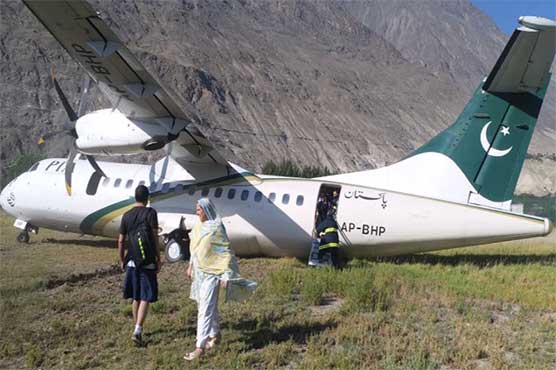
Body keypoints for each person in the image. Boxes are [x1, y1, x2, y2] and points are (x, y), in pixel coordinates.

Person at [184, 198, 256, 361]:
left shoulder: (216, 227)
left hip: (212, 274)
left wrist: (225, 275)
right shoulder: (197, 227)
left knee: (205, 309)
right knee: (205, 305)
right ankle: (215, 335)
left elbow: (225, 251)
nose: (197, 212)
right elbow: (194, 249)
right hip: (199, 274)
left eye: (200, 209)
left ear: (207, 210)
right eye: (196, 209)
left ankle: (199, 348)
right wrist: (190, 266)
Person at [118, 185, 161, 346]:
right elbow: (155, 238)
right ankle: (137, 330)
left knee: (136, 296)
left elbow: (121, 240)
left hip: (131, 260)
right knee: (146, 296)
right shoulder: (151, 213)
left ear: (135, 197)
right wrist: (158, 257)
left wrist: (122, 259)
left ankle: (137, 328)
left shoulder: (126, 215)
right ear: (147, 198)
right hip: (147, 260)